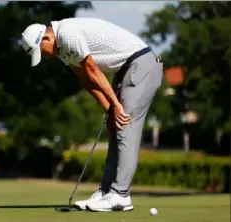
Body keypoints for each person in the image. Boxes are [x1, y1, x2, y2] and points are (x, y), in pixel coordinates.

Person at [21, 17, 163, 212]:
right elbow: (86, 80)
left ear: (45, 38)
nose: (44, 57)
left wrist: (116, 106)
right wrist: (109, 109)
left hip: (141, 64)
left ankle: (120, 195)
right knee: (116, 128)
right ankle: (106, 192)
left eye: (41, 52)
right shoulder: (62, 49)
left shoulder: (67, 34)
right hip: (126, 70)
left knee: (125, 126)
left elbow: (93, 70)